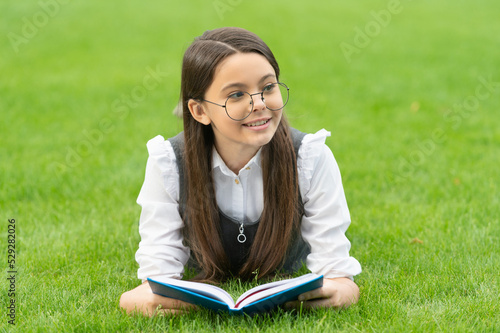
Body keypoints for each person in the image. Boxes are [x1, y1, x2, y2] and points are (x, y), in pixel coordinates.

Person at [119, 27, 361, 316]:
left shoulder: (310, 156)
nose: (259, 105)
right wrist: (140, 299)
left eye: (268, 88)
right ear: (199, 111)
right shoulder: (169, 161)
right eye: (236, 94)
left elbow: (338, 275)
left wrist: (339, 290)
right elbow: (155, 278)